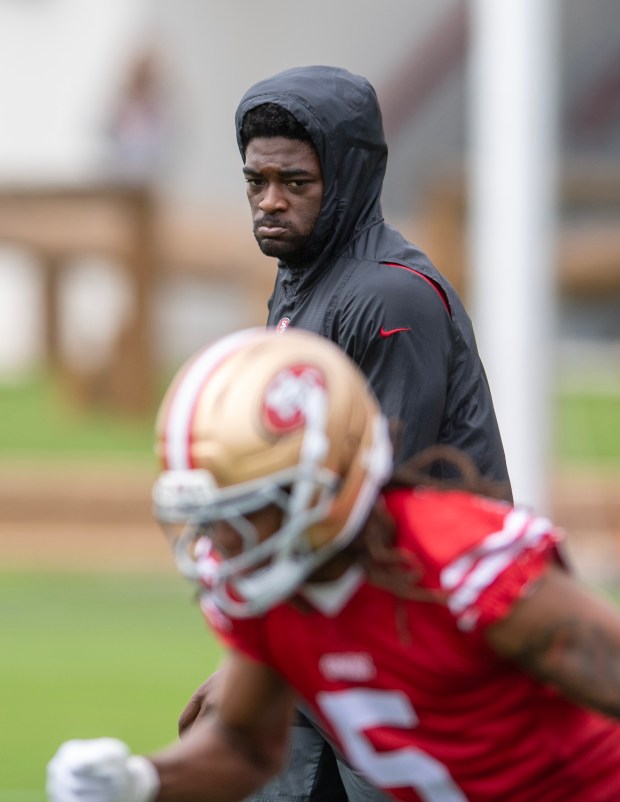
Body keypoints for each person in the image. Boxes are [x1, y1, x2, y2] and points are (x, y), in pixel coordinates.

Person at [47, 327, 620, 802]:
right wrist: (139, 782)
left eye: (250, 509)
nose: (223, 540)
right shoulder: (275, 596)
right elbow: (245, 745)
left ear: (330, 483)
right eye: (211, 514)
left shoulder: (459, 565)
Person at [180, 64, 513, 802]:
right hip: (328, 651)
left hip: (407, 666)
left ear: (350, 176)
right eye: (255, 181)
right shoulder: (306, 279)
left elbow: (373, 505)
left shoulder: (389, 295)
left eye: (295, 182)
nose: (269, 202)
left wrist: (250, 666)